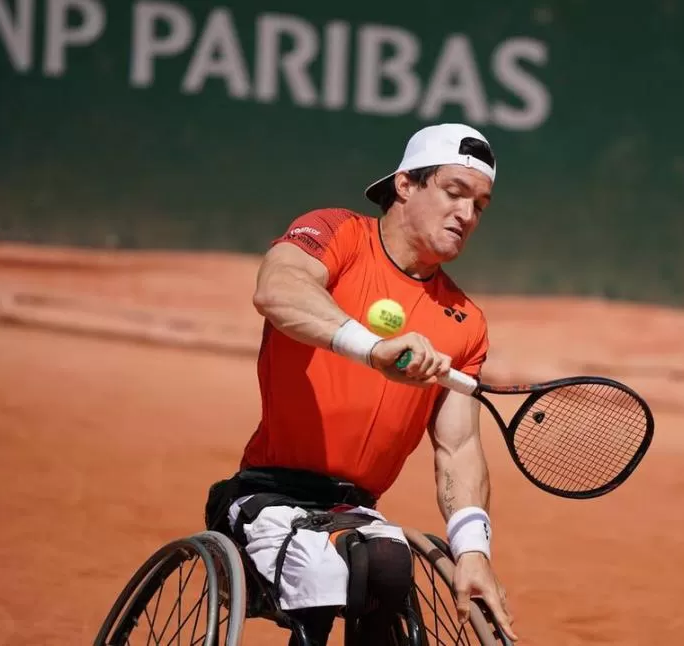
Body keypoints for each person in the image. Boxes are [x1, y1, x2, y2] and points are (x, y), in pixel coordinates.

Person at [203, 123, 518, 645]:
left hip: (357, 513)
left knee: (387, 564)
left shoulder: (465, 321)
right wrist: (371, 348)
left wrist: (473, 552)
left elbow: (459, 447)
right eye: (454, 192)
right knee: (328, 570)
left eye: (480, 205)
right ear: (405, 185)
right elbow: (278, 289)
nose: (466, 214)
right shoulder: (337, 234)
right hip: (268, 495)